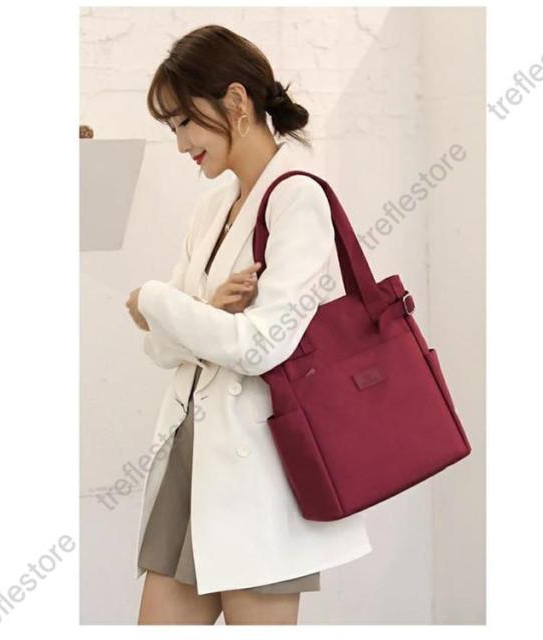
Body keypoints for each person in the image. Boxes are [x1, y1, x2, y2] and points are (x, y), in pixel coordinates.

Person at [125, 24, 372, 625]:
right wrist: (205, 312)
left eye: (185, 122)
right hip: (191, 458)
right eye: (172, 128)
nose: (181, 144)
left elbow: (261, 346)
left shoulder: (298, 198)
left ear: (235, 101)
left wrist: (156, 300)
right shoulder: (213, 206)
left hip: (258, 473)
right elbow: (163, 350)